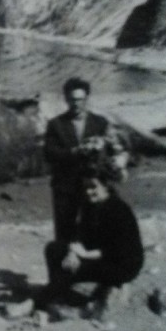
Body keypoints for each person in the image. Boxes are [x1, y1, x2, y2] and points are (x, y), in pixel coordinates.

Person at [38, 173, 144, 318]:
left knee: (70, 269)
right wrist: (73, 252)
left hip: (122, 264)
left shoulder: (119, 210)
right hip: (98, 256)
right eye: (86, 187)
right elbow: (79, 233)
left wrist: (84, 255)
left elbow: (117, 251)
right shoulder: (89, 206)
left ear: (106, 186)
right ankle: (58, 294)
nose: (89, 192)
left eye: (94, 187)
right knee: (54, 249)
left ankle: (54, 300)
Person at [44, 77, 119, 244]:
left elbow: (113, 150)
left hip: (93, 186)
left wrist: (104, 150)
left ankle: (90, 269)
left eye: (80, 100)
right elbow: (49, 154)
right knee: (64, 232)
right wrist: (74, 151)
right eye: (72, 100)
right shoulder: (55, 124)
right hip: (65, 186)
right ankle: (62, 268)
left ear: (86, 99)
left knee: (93, 230)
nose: (76, 104)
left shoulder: (100, 123)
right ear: (66, 99)